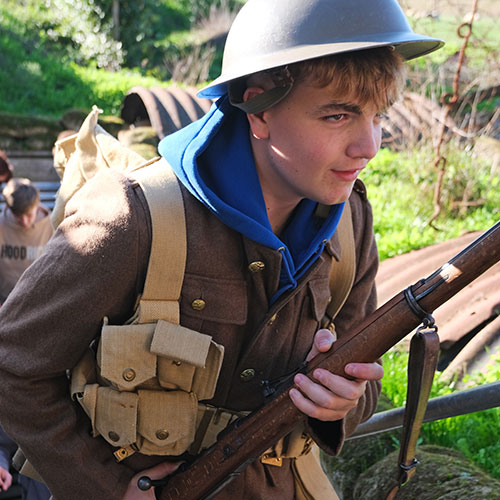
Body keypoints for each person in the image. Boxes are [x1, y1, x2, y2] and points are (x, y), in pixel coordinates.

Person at [0, 1, 443, 499]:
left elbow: (363, 372)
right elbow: (14, 365)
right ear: (260, 109)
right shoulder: (132, 218)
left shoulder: (350, 222)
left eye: (378, 115)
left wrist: (343, 401)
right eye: (337, 115)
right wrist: (106, 488)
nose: (369, 145)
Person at [0, 178, 54, 305]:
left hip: (39, 300)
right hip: (5, 300)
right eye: (18, 217)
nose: (24, 222)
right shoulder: (2, 225)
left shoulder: (51, 225)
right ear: (8, 207)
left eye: (29, 215)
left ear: (37, 205)